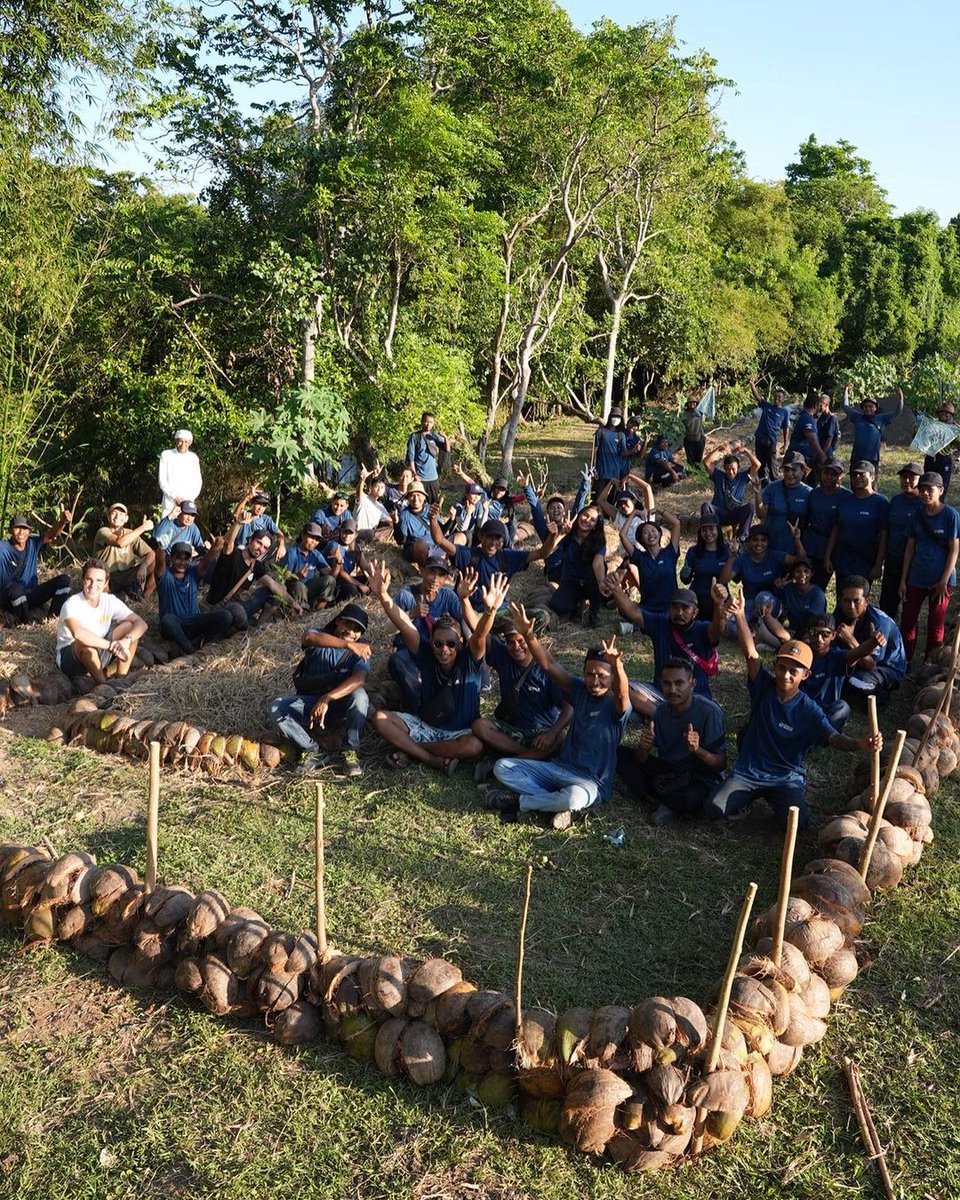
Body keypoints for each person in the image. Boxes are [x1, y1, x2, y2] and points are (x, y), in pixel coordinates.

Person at [705, 590, 882, 829]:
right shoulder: (763, 687)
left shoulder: (809, 709)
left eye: (794, 671)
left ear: (805, 675)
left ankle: (781, 798)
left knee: (798, 826)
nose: (786, 675)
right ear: (775, 666)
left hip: (785, 778)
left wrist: (860, 744)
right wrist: (739, 614)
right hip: (749, 771)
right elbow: (750, 653)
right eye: (782, 667)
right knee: (713, 808)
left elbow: (833, 737)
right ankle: (743, 802)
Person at [484, 608, 631, 829]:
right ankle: (552, 803)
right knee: (502, 767)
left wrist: (618, 665)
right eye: (590, 674)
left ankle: (521, 801)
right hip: (557, 769)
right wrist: (529, 635)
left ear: (612, 678)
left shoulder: (616, 707)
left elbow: (622, 693)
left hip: (590, 783)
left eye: (602, 675)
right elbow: (549, 665)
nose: (595, 681)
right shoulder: (579, 690)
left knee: (573, 798)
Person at [370, 559, 501, 773]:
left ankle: (413, 750)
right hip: (425, 725)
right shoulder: (426, 652)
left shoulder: (470, 658)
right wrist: (383, 595)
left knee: (474, 746)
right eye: (438, 643)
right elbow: (404, 624)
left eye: (450, 644)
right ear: (431, 642)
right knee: (380, 718)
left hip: (460, 731)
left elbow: (480, 635)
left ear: (460, 643)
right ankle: (432, 758)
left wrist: (489, 611)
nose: (444, 650)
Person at [617, 658, 727, 824]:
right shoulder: (661, 712)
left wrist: (698, 750)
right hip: (671, 771)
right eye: (667, 684)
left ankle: (656, 797)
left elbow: (721, 764)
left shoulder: (709, 712)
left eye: (679, 683)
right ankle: (663, 799)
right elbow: (640, 759)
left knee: (694, 799)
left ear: (692, 683)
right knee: (620, 753)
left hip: (700, 777)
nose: (672, 689)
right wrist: (643, 747)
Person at [270, 603, 371, 779]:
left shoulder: (362, 649)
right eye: (348, 624)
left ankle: (349, 749)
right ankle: (311, 749)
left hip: (337, 705)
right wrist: (347, 645)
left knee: (360, 695)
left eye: (357, 630)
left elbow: (359, 679)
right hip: (309, 705)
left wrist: (327, 698)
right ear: (338, 621)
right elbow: (308, 637)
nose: (351, 632)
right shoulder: (320, 635)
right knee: (275, 707)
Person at [470, 614, 572, 774]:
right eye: (510, 642)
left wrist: (551, 734)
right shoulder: (504, 656)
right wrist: (466, 601)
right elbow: (479, 631)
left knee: (559, 739)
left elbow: (569, 708)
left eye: (521, 641)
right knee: (479, 725)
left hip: (539, 734)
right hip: (511, 731)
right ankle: (522, 758)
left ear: (532, 641)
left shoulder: (547, 670)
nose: (516, 647)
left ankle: (507, 762)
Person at [607, 581, 726, 698]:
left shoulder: (702, 630)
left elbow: (718, 630)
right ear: (669, 608)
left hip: (695, 698)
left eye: (685, 608)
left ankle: (663, 714)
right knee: (622, 688)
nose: (679, 612)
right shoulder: (660, 624)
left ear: (695, 613)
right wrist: (615, 587)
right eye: (675, 607)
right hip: (661, 693)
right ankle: (662, 714)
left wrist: (719, 604)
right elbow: (632, 613)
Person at [388, 548, 465, 710]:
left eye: (441, 575)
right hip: (412, 651)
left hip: (438, 651)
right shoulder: (407, 595)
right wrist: (411, 614)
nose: (435, 579)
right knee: (396, 661)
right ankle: (420, 707)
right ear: (422, 571)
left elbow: (465, 621)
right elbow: (387, 629)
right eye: (431, 572)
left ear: (445, 579)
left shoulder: (448, 597)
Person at [430, 513, 558, 611]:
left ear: (502, 541)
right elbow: (440, 540)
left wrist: (552, 536)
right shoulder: (468, 555)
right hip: (470, 611)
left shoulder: (508, 557)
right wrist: (433, 519)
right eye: (490, 537)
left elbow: (542, 553)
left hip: (498, 610)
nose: (493, 542)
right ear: (481, 537)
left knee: (540, 617)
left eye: (498, 538)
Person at [55, 559, 148, 685]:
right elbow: (78, 634)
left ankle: (121, 678)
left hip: (100, 648)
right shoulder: (71, 603)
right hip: (73, 657)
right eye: (89, 579)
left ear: (106, 583)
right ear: (83, 580)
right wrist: (111, 646)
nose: (93, 585)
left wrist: (126, 640)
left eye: (99, 580)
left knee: (130, 626)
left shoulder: (110, 600)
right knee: (85, 644)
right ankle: (104, 686)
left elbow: (141, 623)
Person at [898, 472, 960, 662]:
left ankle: (930, 665)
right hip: (917, 576)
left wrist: (943, 582)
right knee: (908, 621)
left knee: (936, 625)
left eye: (929, 489)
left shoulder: (951, 516)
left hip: (941, 580)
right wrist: (903, 580)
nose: (925, 493)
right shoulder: (916, 515)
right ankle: (904, 661)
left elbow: (954, 550)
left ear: (941, 490)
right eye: (922, 489)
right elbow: (909, 548)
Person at [206, 526, 302, 629]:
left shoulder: (256, 566)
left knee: (276, 591)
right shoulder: (233, 554)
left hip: (240, 608)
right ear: (250, 540)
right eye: (259, 543)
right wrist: (238, 524)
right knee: (235, 612)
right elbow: (228, 544)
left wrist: (293, 603)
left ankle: (257, 629)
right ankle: (239, 628)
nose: (260, 549)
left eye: (265, 547)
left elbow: (273, 585)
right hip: (220, 608)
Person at [154, 539, 233, 654]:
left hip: (193, 622)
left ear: (190, 560)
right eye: (178, 558)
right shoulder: (165, 575)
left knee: (226, 616)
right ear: (171, 559)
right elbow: (159, 564)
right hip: (174, 625)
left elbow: (206, 561)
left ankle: (200, 643)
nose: (182, 562)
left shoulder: (193, 573)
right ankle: (189, 649)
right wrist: (161, 547)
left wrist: (215, 547)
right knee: (167, 620)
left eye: (186, 559)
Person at [835, 576, 906, 699]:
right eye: (846, 601)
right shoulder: (840, 612)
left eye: (856, 601)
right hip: (858, 661)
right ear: (841, 600)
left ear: (867, 600)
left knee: (857, 681)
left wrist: (850, 640)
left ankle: (882, 694)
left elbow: (871, 665)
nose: (851, 606)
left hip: (885, 667)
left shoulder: (878, 622)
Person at [720, 523, 802, 623]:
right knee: (732, 626)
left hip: (771, 602)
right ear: (749, 542)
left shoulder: (774, 556)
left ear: (768, 542)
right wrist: (731, 557)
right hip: (750, 602)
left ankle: (762, 626)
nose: (759, 543)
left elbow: (801, 561)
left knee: (762, 596)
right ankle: (754, 629)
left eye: (763, 540)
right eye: (755, 540)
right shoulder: (742, 559)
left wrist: (797, 540)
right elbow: (723, 580)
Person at [0, 510, 72, 622]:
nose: (21, 532)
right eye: (17, 528)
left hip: (30, 595)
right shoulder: (3, 548)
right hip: (9, 598)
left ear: (29, 531)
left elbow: (52, 534)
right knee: (16, 590)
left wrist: (62, 522)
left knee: (64, 580)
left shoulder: (33, 543)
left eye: (24, 528)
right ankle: (28, 623)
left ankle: (53, 620)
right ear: (10, 530)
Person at [824, 461, 888, 589]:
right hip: (843, 559)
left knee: (859, 600)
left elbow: (884, 535)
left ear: (872, 477)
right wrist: (827, 556)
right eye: (854, 475)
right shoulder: (846, 500)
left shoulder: (880, 503)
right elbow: (836, 529)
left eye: (861, 475)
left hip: (866, 561)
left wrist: (878, 564)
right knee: (842, 598)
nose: (857, 478)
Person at [522, 467, 591, 582]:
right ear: (548, 512)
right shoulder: (545, 528)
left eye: (559, 507)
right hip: (556, 571)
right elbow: (536, 508)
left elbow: (578, 508)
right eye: (552, 508)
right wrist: (527, 487)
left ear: (564, 512)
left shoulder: (570, 525)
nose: (556, 510)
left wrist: (586, 482)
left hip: (574, 568)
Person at [547, 504, 608, 627]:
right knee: (558, 606)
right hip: (570, 580)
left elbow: (598, 563)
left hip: (590, 581)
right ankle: (577, 604)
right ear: (580, 514)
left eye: (592, 520)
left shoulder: (598, 541)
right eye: (585, 515)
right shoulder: (568, 533)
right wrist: (560, 534)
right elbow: (548, 551)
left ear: (596, 525)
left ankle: (594, 613)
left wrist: (601, 582)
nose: (587, 520)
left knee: (596, 571)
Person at [878, 462, 922, 618]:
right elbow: (886, 531)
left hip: (913, 563)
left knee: (910, 610)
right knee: (886, 606)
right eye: (904, 477)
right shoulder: (896, 501)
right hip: (893, 559)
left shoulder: (924, 503)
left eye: (912, 478)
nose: (907, 481)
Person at [801, 458, 848, 589]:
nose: (829, 477)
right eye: (826, 473)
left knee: (820, 584)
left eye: (834, 474)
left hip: (831, 545)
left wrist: (828, 555)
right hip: (811, 541)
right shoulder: (814, 493)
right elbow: (806, 519)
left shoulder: (845, 496)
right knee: (804, 581)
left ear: (840, 476)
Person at [93, 504, 155, 600]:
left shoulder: (130, 533)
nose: (118, 516)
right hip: (109, 575)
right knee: (103, 595)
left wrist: (144, 566)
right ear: (109, 517)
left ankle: (143, 598)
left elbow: (151, 553)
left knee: (156, 562)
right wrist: (142, 528)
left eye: (122, 514)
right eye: (114, 513)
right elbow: (119, 543)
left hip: (128, 574)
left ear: (126, 519)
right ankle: (120, 596)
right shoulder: (103, 532)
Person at [623, 513, 681, 613]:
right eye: (645, 532)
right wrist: (633, 514)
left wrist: (660, 511)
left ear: (659, 533)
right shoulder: (639, 557)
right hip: (648, 609)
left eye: (653, 531)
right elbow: (622, 535)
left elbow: (676, 524)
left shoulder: (670, 552)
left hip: (670, 609)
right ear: (641, 539)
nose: (650, 534)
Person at [702, 443, 759, 540]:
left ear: (738, 468)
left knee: (750, 507)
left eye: (733, 469)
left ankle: (741, 539)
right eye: (728, 469)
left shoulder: (743, 477)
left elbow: (757, 464)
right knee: (706, 506)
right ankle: (710, 536)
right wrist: (718, 448)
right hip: (718, 513)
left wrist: (746, 451)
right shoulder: (719, 476)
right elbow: (706, 462)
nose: (731, 472)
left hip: (734, 513)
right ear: (724, 468)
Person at [757, 452, 811, 554]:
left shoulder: (809, 493)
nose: (789, 474)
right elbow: (761, 515)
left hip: (796, 549)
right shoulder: (772, 488)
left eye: (794, 470)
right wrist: (757, 495)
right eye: (786, 470)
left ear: (803, 470)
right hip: (771, 548)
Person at [841, 385, 904, 472]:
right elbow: (845, 406)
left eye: (871, 406)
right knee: (855, 481)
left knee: (871, 483)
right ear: (862, 408)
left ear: (875, 408)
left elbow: (897, 412)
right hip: (856, 457)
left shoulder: (881, 419)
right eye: (866, 406)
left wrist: (901, 399)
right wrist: (846, 391)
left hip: (872, 459)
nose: (868, 408)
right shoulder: (857, 417)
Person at [680, 516, 729, 621]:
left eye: (711, 529)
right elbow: (685, 580)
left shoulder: (727, 550)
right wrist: (684, 573)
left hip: (719, 596)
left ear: (718, 530)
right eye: (704, 530)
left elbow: (736, 578)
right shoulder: (693, 551)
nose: (708, 533)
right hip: (697, 597)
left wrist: (735, 557)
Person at [280, 522, 337, 609]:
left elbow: (330, 574)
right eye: (311, 537)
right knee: (299, 585)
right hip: (294, 589)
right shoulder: (292, 553)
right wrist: (297, 576)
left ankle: (318, 611)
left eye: (317, 539)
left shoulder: (316, 554)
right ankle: (301, 611)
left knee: (330, 580)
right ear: (303, 535)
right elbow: (284, 578)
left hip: (309, 588)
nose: (314, 542)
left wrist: (339, 562)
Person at [749, 376, 789, 482]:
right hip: (759, 439)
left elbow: (786, 428)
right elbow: (757, 396)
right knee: (760, 464)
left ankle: (775, 483)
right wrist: (752, 384)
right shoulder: (767, 406)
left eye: (779, 397)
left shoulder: (784, 412)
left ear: (783, 399)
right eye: (775, 396)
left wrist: (786, 443)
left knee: (772, 465)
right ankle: (763, 484)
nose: (776, 398)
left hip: (771, 441)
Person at [405, 411, 450, 503]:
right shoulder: (415, 437)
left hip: (433, 477)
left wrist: (445, 437)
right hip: (420, 478)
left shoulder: (434, 436)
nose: (428, 424)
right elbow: (411, 458)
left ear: (433, 424)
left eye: (431, 422)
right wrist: (415, 474)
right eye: (426, 421)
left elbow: (447, 449)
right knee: (419, 503)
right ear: (422, 421)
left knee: (433, 504)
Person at [158, 429, 202, 518]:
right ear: (176, 441)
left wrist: (187, 499)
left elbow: (198, 482)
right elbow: (162, 480)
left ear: (190, 443)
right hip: (170, 503)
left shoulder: (193, 458)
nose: (183, 444)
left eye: (186, 442)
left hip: (188, 504)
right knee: (166, 528)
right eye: (180, 441)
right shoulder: (166, 455)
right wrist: (174, 496)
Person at [324, 519, 372, 599]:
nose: (347, 536)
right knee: (351, 591)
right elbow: (341, 572)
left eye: (350, 533)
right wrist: (359, 585)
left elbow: (365, 566)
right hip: (333, 581)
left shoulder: (356, 548)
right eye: (344, 532)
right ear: (340, 532)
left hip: (345, 580)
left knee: (367, 580)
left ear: (356, 535)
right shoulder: (334, 546)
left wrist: (373, 576)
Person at [232, 488, 285, 559]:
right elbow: (236, 514)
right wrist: (246, 498)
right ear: (252, 503)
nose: (260, 508)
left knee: (282, 550)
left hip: (257, 553)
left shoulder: (266, 520)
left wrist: (281, 545)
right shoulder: (245, 514)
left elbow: (279, 534)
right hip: (240, 550)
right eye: (259, 503)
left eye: (264, 505)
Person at [923, 398, 957, 495]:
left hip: (945, 460)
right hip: (930, 458)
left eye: (947, 413)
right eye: (942, 412)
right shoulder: (931, 425)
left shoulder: (955, 429)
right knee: (927, 484)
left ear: (951, 415)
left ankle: (939, 506)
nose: (944, 414)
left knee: (941, 488)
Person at [396, 483, 436, 565]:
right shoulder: (405, 515)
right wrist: (395, 523)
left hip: (433, 547)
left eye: (418, 495)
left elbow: (442, 531)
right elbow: (401, 540)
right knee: (421, 545)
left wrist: (452, 520)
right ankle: (425, 570)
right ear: (408, 498)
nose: (415, 499)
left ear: (424, 497)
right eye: (412, 495)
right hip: (415, 548)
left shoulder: (431, 510)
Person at [592, 408, 628, 499]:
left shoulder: (621, 435)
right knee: (597, 498)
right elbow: (594, 451)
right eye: (614, 416)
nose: (616, 419)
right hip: (601, 473)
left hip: (615, 474)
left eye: (618, 417)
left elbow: (623, 453)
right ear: (610, 417)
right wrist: (594, 468)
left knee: (611, 500)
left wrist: (633, 450)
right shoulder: (601, 431)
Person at [353, 464, 392, 542]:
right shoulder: (364, 498)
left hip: (371, 534)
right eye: (377, 486)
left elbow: (391, 522)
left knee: (391, 529)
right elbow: (358, 493)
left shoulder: (381, 507)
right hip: (357, 533)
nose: (379, 489)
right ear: (370, 488)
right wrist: (363, 479)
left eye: (382, 487)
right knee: (371, 533)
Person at [787, 394, 826, 470]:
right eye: (818, 405)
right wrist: (822, 456)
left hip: (796, 455)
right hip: (801, 459)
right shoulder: (807, 418)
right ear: (815, 405)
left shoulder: (800, 415)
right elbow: (812, 439)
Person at [681, 395, 706, 466]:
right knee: (690, 459)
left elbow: (700, 415)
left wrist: (695, 411)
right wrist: (693, 417)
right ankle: (691, 472)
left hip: (699, 437)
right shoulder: (685, 414)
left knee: (698, 458)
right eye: (690, 403)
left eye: (694, 403)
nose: (692, 405)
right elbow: (686, 424)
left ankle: (698, 472)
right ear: (687, 404)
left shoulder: (699, 412)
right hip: (689, 439)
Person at [816, 393, 840, 464]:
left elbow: (829, 439)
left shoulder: (832, 418)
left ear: (826, 405)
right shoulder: (821, 417)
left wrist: (822, 453)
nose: (818, 407)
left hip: (826, 452)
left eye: (820, 405)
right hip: (819, 449)